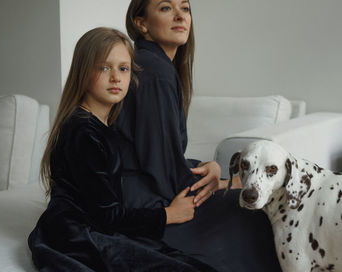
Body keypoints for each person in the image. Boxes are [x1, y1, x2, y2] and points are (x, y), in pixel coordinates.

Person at [28, 27, 217, 272]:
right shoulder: (83, 132)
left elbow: (151, 161)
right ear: (83, 72)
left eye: (123, 68)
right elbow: (106, 217)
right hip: (77, 234)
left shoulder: (105, 125)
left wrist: (204, 165)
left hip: (98, 227)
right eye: (104, 67)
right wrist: (167, 215)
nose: (116, 77)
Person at [116, 1, 282, 271]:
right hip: (146, 202)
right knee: (259, 212)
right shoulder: (154, 72)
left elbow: (159, 156)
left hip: (144, 189)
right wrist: (223, 184)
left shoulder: (155, 65)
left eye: (185, 8)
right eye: (166, 8)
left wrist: (210, 169)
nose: (180, 15)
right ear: (141, 23)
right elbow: (161, 168)